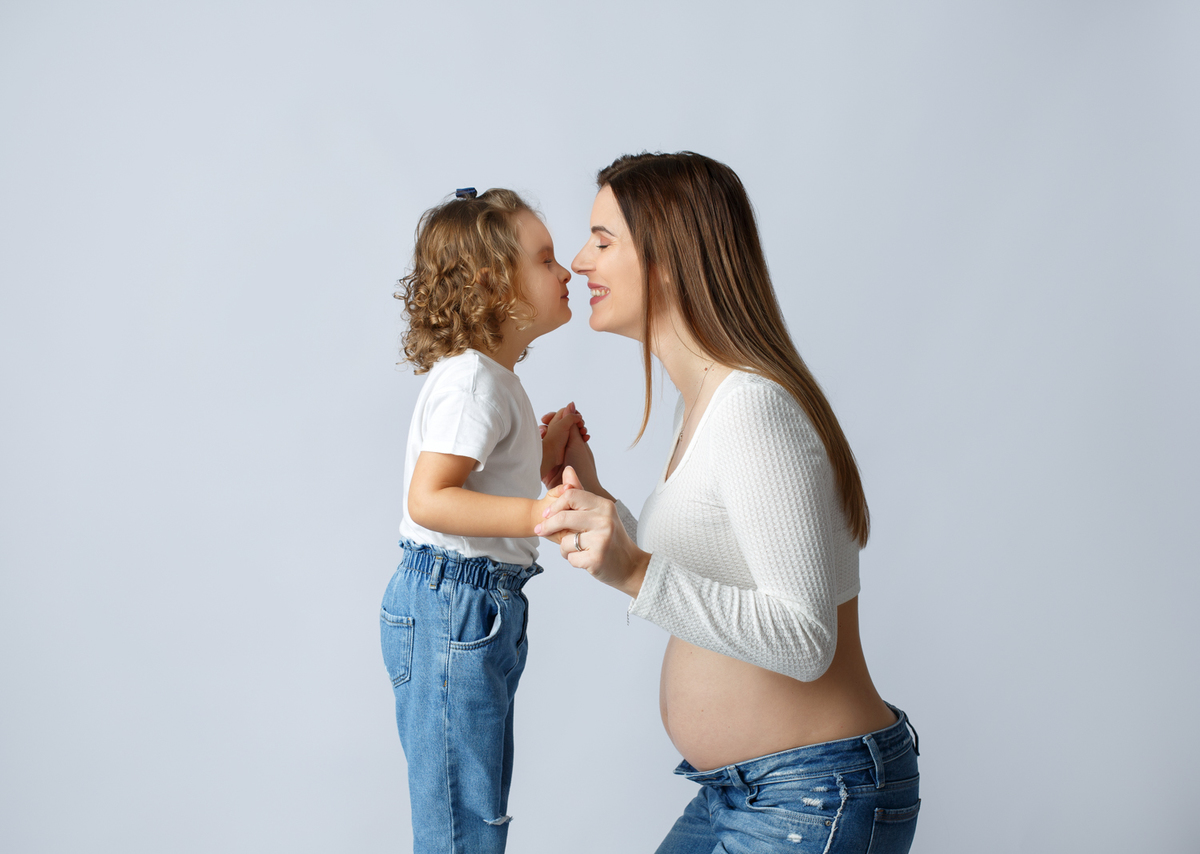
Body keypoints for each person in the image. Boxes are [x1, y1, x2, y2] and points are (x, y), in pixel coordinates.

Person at [536, 153, 921, 853]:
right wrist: (598, 505)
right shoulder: (710, 400)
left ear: (669, 259)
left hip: (811, 793)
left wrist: (632, 571)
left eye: (602, 239)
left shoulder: (751, 408)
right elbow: (718, 561)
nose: (578, 260)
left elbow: (804, 640)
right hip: (748, 789)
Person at [380, 187, 585, 854]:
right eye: (547, 259)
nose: (568, 272)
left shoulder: (490, 381)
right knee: (462, 824)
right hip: (452, 606)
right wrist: (540, 512)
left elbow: (477, 487)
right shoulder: (474, 382)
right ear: (495, 285)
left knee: (474, 813)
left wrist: (544, 452)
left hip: (470, 603)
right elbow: (431, 499)